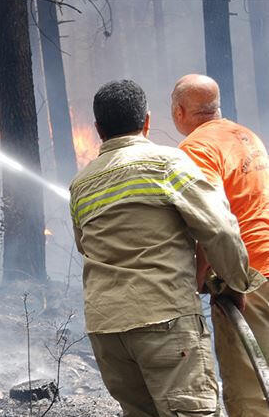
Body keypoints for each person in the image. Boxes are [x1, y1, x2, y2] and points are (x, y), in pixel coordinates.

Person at [70, 80, 264, 417]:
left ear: (98, 129)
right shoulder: (168, 163)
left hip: (106, 332)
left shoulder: (80, 185)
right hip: (164, 320)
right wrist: (235, 281)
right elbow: (218, 227)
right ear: (147, 121)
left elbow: (83, 246)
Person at [173, 73, 269, 416]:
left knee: (249, 392)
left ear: (179, 111)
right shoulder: (246, 136)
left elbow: (211, 220)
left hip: (248, 277)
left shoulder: (196, 148)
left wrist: (200, 277)